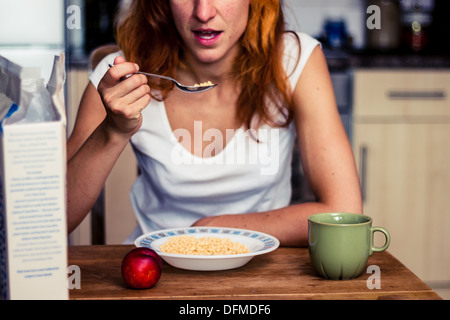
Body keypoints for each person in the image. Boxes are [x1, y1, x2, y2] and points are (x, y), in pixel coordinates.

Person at [66, 0, 362, 247]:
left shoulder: (295, 59)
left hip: (263, 268)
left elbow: (344, 210)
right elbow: (55, 219)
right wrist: (113, 131)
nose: (203, 12)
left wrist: (217, 228)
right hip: (155, 269)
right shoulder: (120, 77)